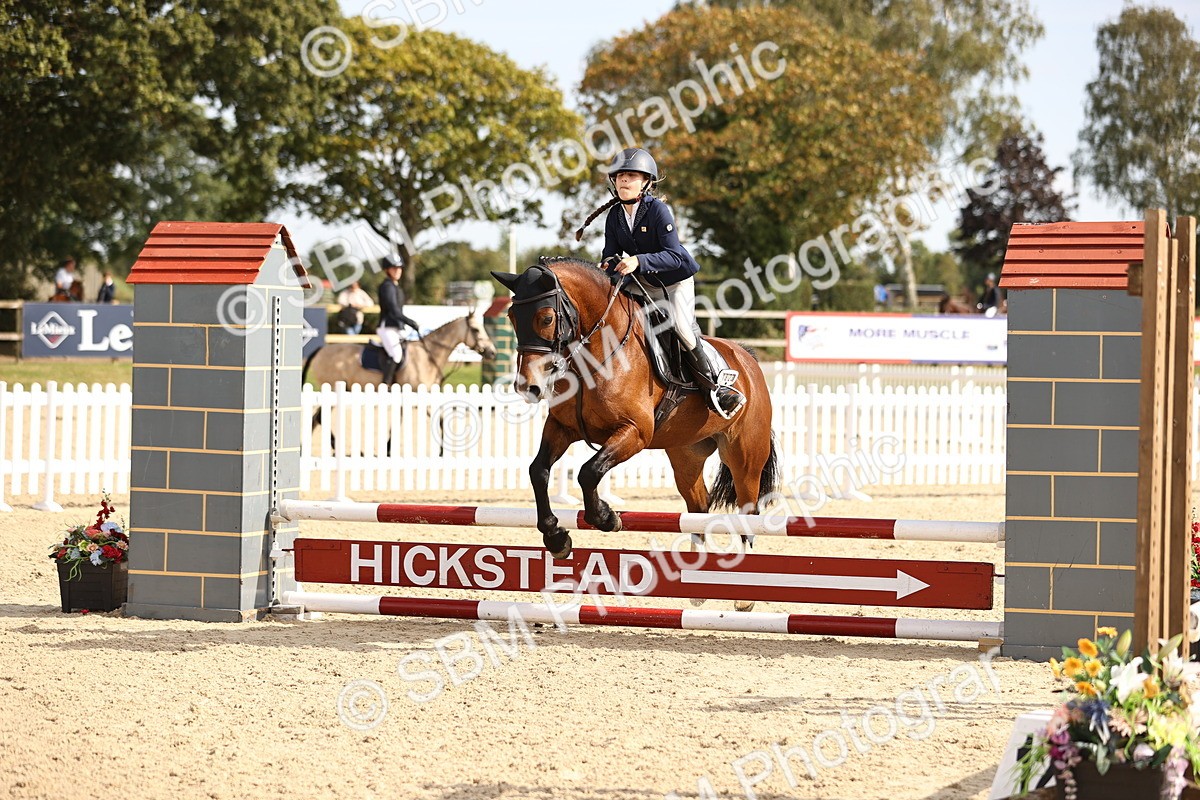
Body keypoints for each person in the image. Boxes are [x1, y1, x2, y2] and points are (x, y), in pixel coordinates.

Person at [575, 147, 744, 417]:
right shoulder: (615, 217)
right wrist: (604, 267)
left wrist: (638, 261)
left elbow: (675, 256)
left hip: (674, 281)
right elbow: (610, 255)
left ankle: (715, 387)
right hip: (641, 281)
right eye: (620, 176)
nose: (624, 181)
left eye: (631, 176)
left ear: (646, 183)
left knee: (681, 328)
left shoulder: (658, 211)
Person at [375, 256, 421, 385]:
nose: (398, 271)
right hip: (387, 327)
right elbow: (394, 311)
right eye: (394, 268)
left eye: (399, 268)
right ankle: (386, 384)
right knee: (396, 354)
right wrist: (410, 322)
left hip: (397, 327)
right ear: (387, 270)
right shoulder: (387, 287)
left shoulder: (396, 287)